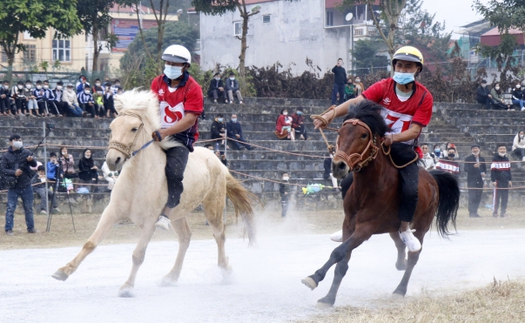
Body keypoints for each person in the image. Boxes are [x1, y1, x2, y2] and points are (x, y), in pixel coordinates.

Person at [315, 46, 432, 252]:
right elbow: (354, 102)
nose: (403, 70)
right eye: (399, 65)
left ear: (417, 70)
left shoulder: (424, 97)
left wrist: (393, 138)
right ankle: (349, 223)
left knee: (410, 189)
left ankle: (404, 228)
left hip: (403, 150)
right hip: (377, 147)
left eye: (408, 67)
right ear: (394, 66)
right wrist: (328, 116)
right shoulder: (384, 87)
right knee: (348, 181)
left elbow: (414, 131)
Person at [150, 44, 204, 230]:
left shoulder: (193, 88)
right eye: (168, 63)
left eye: (175, 64)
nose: (170, 66)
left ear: (185, 66)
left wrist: (166, 132)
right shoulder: (157, 82)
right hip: (157, 134)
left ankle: (167, 213)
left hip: (180, 138)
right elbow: (152, 108)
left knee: (174, 172)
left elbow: (190, 119)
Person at [1, 134, 37, 235]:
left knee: (29, 208)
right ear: (10, 142)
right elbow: (3, 170)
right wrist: (14, 173)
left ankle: (31, 228)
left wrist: (31, 160)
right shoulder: (6, 156)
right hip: (13, 186)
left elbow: (34, 165)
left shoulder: (27, 153)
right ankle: (8, 228)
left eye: (20, 140)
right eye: (16, 140)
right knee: (10, 208)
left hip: (26, 184)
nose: (18, 142)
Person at [464, 144, 486, 218]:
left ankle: (475, 211)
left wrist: (484, 173)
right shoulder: (468, 159)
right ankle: (471, 212)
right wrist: (473, 167)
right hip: (471, 180)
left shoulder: (482, 159)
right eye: (473, 149)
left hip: (480, 180)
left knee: (478, 196)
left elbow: (484, 168)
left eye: (476, 148)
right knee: (472, 196)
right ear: (471, 150)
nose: (475, 150)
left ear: (479, 149)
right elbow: (465, 169)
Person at [491, 144, 512, 218]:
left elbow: (509, 171)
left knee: (505, 198)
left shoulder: (507, 159)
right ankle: (495, 212)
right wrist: (493, 180)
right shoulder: (495, 159)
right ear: (498, 150)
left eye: (504, 149)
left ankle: (503, 213)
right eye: (501, 149)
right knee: (497, 198)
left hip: (505, 181)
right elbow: (493, 171)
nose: (503, 150)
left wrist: (510, 180)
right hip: (498, 181)